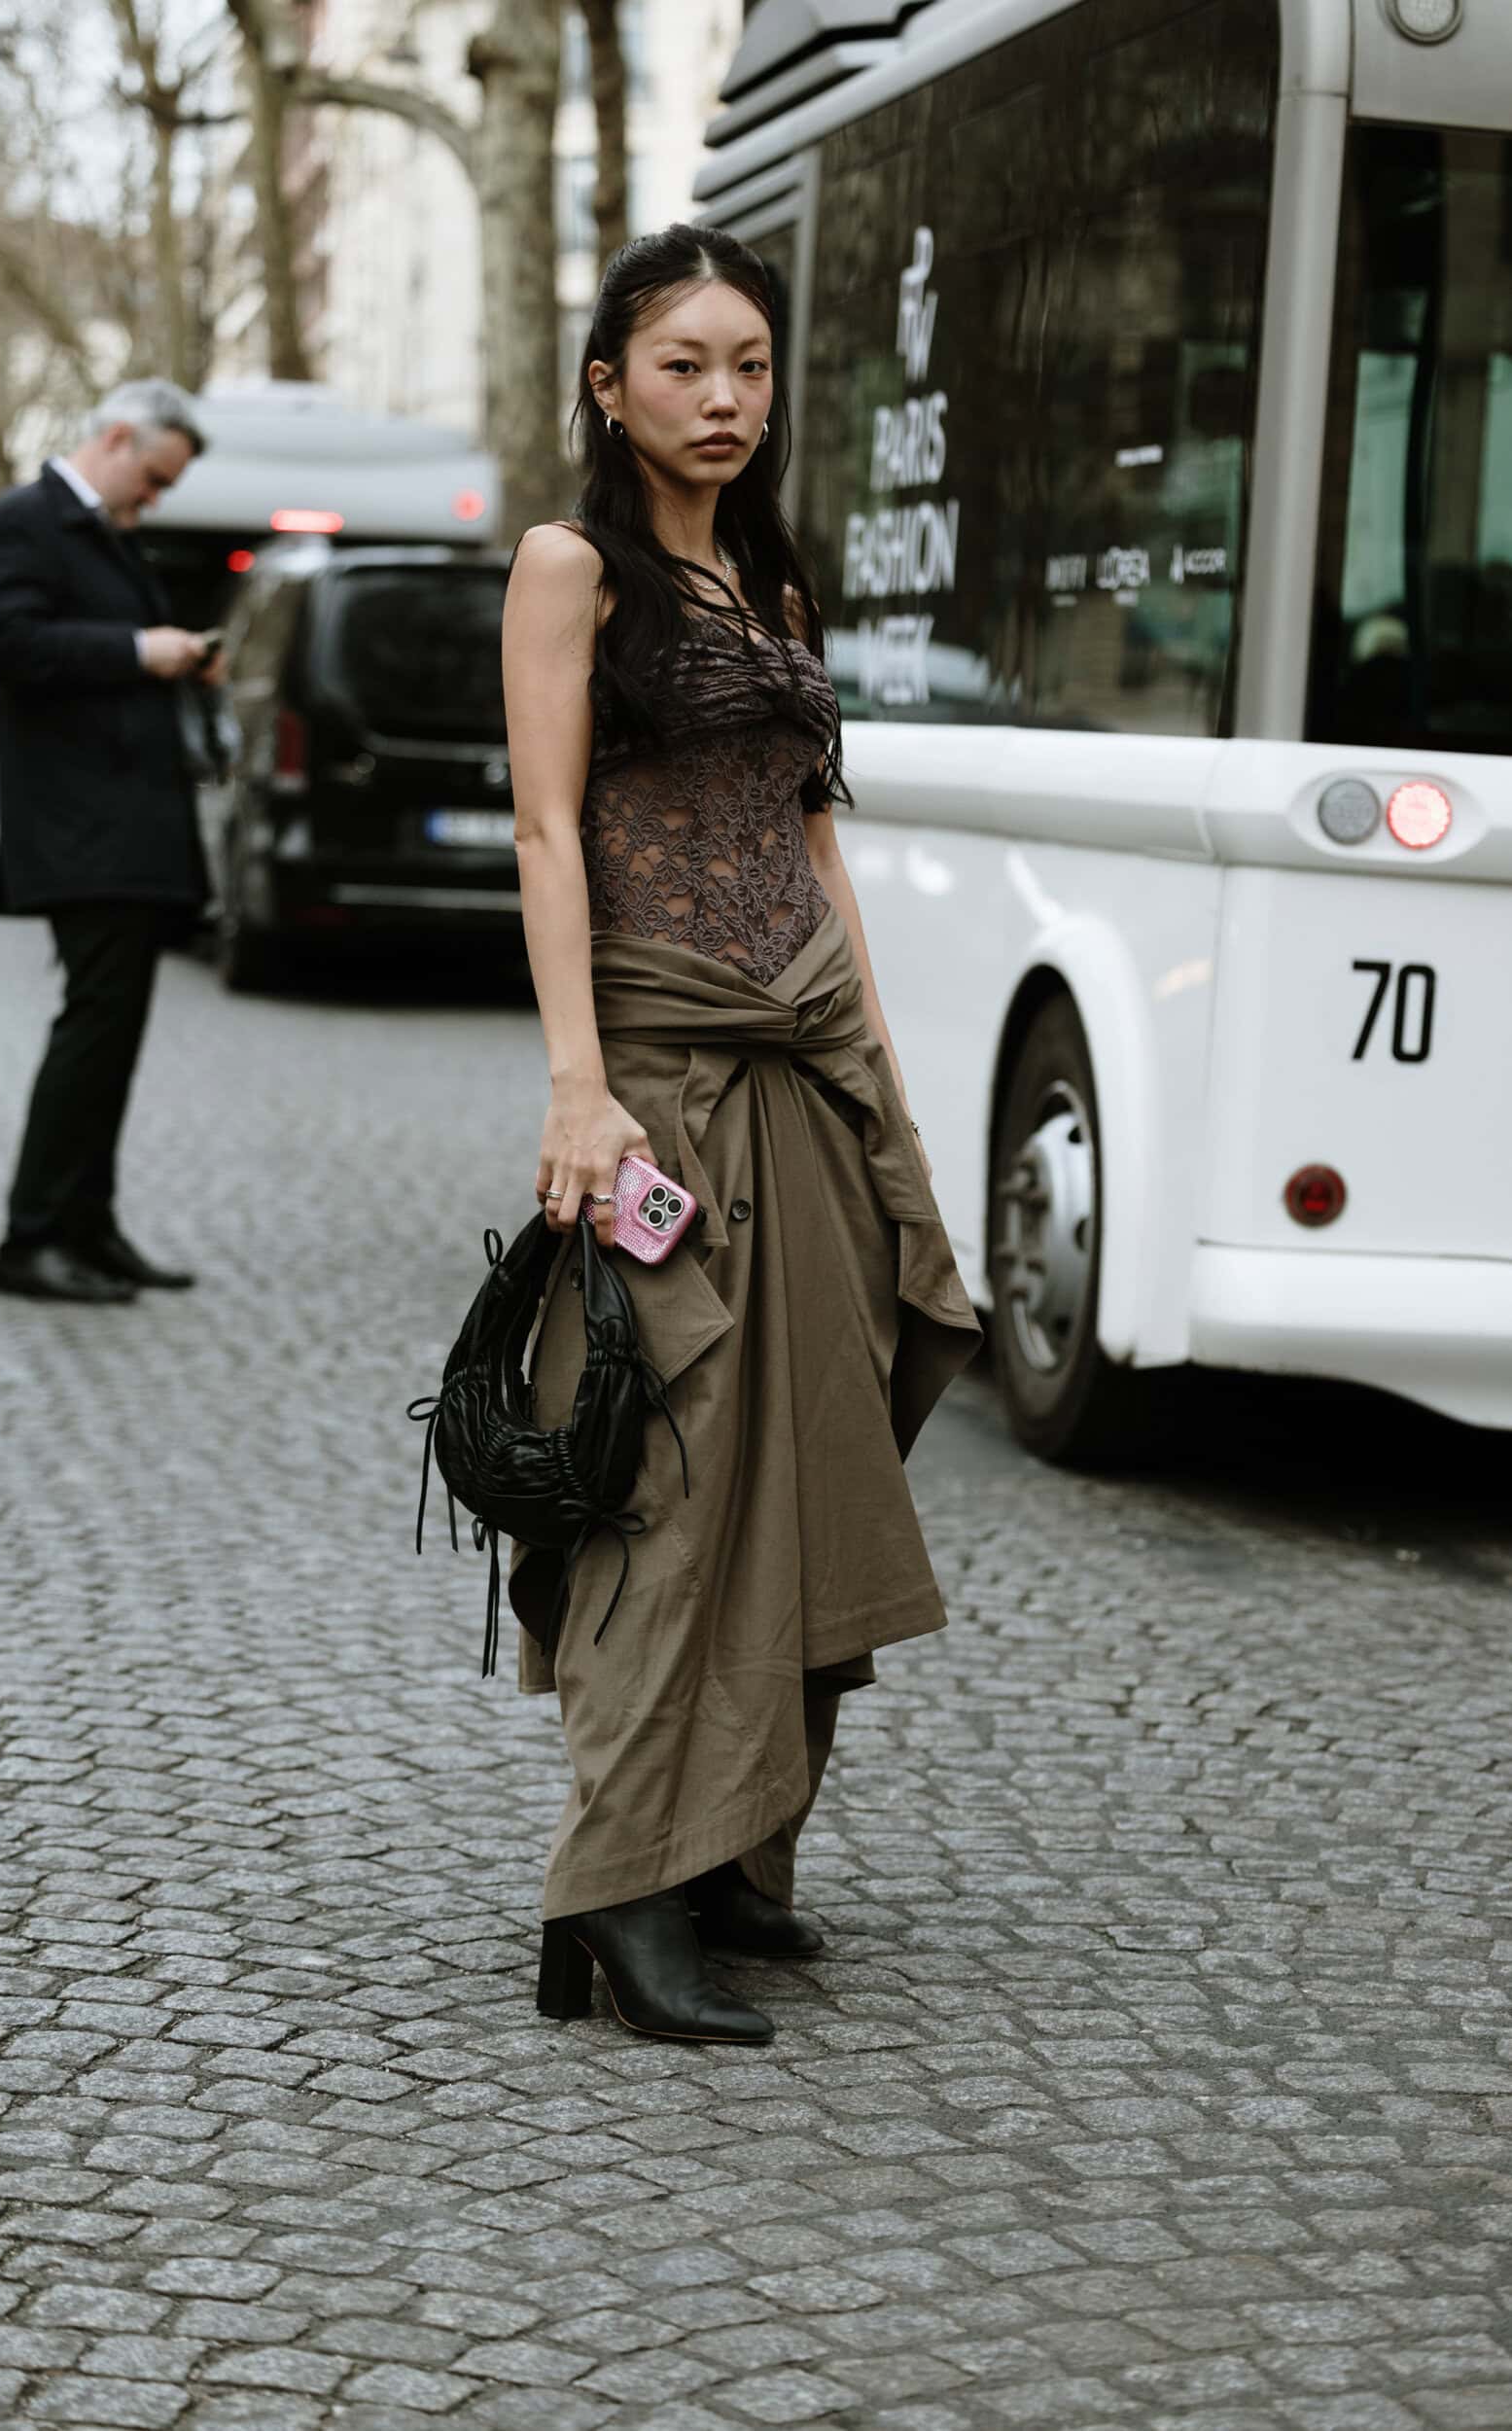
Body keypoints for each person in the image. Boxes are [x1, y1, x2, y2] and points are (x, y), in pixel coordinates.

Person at [502, 226, 982, 2046]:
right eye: (686, 363)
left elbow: (815, 847)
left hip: (811, 1062)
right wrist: (575, 1078)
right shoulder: (570, 568)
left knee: (833, 1428)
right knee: (668, 1467)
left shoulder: (770, 588)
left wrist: (885, 1084)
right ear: (608, 382)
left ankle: (737, 1847)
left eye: (753, 367)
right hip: (666, 1068)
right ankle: (618, 1886)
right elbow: (551, 833)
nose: (724, 397)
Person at [0, 378, 219, 1305]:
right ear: (116, 439)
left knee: (110, 1037)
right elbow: (0, 640)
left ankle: (86, 1226)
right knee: (92, 1034)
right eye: (153, 477)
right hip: (84, 831)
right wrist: (136, 650)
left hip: (123, 829)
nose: (154, 498)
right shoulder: (31, 516)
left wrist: (178, 654)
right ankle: (31, 1239)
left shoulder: (103, 533)